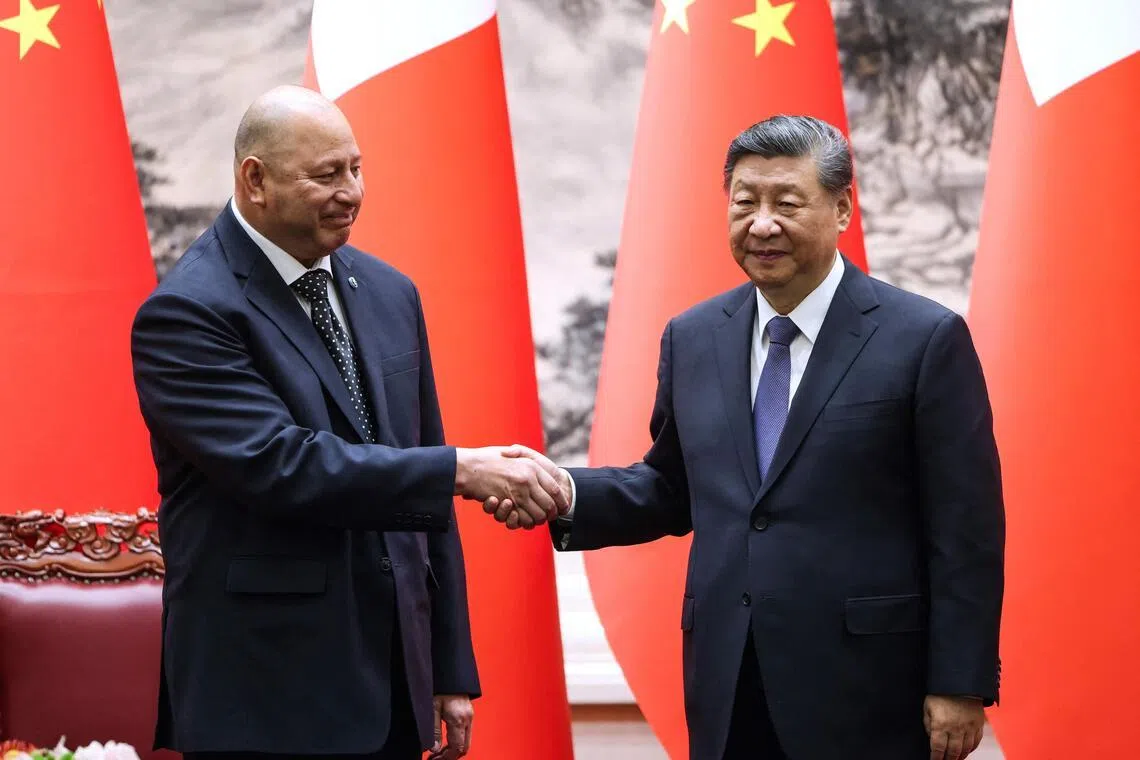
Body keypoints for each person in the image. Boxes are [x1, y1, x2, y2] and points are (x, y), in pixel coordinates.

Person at [487, 115, 1004, 760]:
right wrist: (562, 492)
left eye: (786, 204)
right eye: (744, 203)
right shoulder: (694, 335)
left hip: (870, 687)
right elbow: (673, 488)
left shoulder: (924, 339)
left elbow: (966, 528)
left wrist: (960, 683)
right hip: (729, 679)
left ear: (842, 207)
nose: (762, 224)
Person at [130, 85, 567, 760]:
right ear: (256, 180)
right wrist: (461, 469)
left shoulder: (390, 292)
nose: (352, 191)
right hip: (265, 698)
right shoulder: (188, 312)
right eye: (326, 175)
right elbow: (284, 466)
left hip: (392, 689)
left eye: (356, 168)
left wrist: (447, 669)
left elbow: (423, 496)